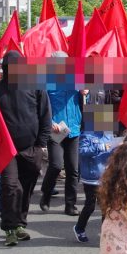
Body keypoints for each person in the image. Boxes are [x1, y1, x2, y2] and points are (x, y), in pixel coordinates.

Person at [0, 51, 51, 247]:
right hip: (6, 149)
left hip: (31, 148)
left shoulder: (36, 87)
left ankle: (19, 223)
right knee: (10, 186)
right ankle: (9, 227)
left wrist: (41, 145)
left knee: (25, 187)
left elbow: (45, 116)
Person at [40, 53, 83, 215]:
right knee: (56, 165)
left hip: (73, 129)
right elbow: (42, 107)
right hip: (56, 131)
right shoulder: (46, 83)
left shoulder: (76, 80)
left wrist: (85, 91)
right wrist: (51, 122)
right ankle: (46, 193)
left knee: (73, 169)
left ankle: (70, 205)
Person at [75, 128, 115, 243]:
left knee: (106, 207)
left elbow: (112, 153)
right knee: (90, 206)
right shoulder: (87, 135)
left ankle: (105, 233)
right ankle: (79, 228)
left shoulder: (109, 134)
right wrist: (99, 147)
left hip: (106, 177)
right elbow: (82, 151)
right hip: (91, 178)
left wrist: (118, 148)